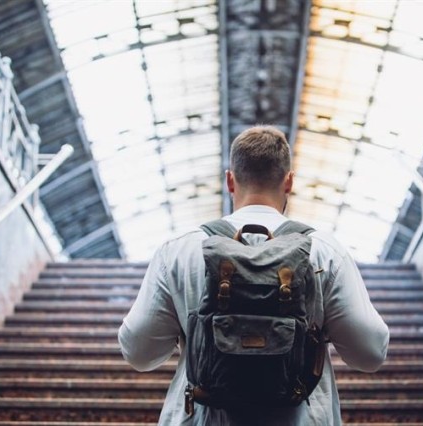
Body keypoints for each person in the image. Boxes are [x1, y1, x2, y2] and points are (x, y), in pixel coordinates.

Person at [118, 125, 389, 425]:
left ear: (230, 181)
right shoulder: (323, 251)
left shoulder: (181, 250)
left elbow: (138, 352)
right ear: (288, 182)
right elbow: (371, 352)